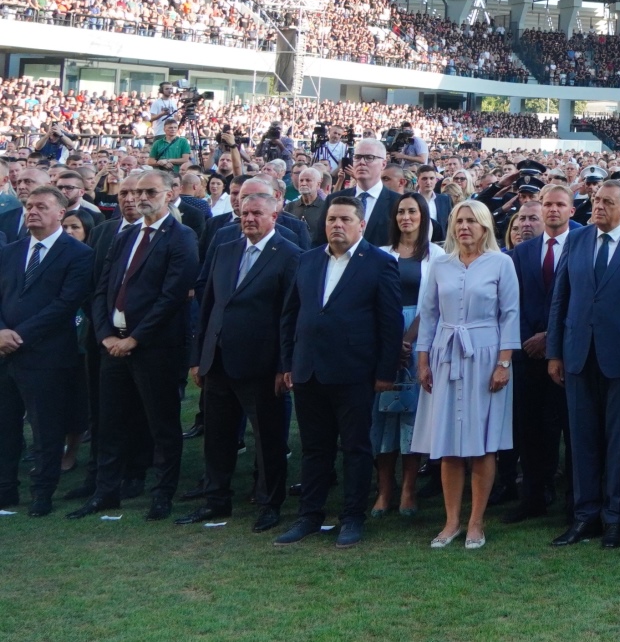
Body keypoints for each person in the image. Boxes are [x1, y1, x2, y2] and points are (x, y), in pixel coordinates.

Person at [546, 178, 620, 551]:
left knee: (618, 441)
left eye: (607, 202)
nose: (597, 207)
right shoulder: (578, 239)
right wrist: (554, 351)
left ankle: (615, 518)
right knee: (581, 440)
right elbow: (560, 299)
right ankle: (585, 516)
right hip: (578, 355)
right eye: (596, 200)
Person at [276, 193, 403, 547]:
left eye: (345, 219)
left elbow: (390, 323)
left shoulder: (378, 262)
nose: (337, 225)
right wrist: (288, 362)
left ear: (360, 224)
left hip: (354, 373)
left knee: (356, 448)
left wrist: (384, 373)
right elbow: (291, 316)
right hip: (308, 371)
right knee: (314, 448)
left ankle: (352, 517)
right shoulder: (308, 260)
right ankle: (309, 516)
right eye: (332, 219)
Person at [72, 167, 199, 521]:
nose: (141, 198)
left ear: (170, 194)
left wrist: (136, 339)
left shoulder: (181, 236)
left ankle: (162, 494)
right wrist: (106, 336)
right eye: (138, 192)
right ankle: (106, 491)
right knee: (110, 421)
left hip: (155, 348)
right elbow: (102, 289)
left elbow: (172, 297)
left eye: (150, 192)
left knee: (161, 424)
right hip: (113, 344)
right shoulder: (124, 236)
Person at [182, 184, 301, 531]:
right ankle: (216, 500)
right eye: (244, 214)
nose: (248, 219)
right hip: (218, 360)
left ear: (274, 216)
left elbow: (290, 315)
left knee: (267, 438)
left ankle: (269, 503)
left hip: (262, 366)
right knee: (217, 437)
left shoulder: (290, 254)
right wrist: (199, 355)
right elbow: (208, 306)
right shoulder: (225, 248)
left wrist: (284, 365)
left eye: (256, 214)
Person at [416, 199, 519, 550]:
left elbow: (510, 315)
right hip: (447, 354)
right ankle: (451, 522)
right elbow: (428, 315)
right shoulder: (441, 266)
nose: (464, 227)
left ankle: (476, 522)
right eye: (459, 221)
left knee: (481, 442)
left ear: (485, 227)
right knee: (448, 443)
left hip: (486, 354)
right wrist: (423, 360)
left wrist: (504, 363)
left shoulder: (501, 263)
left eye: (471, 222)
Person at [0, 185, 91, 516]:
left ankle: (42, 492)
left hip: (47, 355)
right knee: (5, 425)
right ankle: (5, 488)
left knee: (45, 428)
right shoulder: (10, 251)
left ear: (60, 213)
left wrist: (18, 335)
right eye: (28, 206)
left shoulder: (78, 254)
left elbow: (66, 304)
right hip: (4, 353)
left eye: (40, 206)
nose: (31, 211)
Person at [504, 183, 578, 524]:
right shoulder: (523, 252)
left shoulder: (583, 244)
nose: (552, 210)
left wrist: (552, 339)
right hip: (527, 356)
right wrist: (527, 341)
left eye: (559, 204)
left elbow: (582, 301)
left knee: (572, 430)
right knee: (530, 431)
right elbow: (510, 305)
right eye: (547, 204)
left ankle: (575, 501)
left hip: (569, 354)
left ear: (571, 210)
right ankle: (533, 497)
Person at [373, 191, 443, 519]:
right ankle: (384, 490)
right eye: (401, 212)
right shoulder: (380, 254)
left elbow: (435, 304)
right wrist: (391, 341)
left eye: (412, 211)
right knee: (382, 416)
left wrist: (407, 340)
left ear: (423, 216)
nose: (406, 217)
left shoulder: (438, 257)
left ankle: (408, 488)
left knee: (412, 418)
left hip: (421, 340)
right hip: (383, 336)